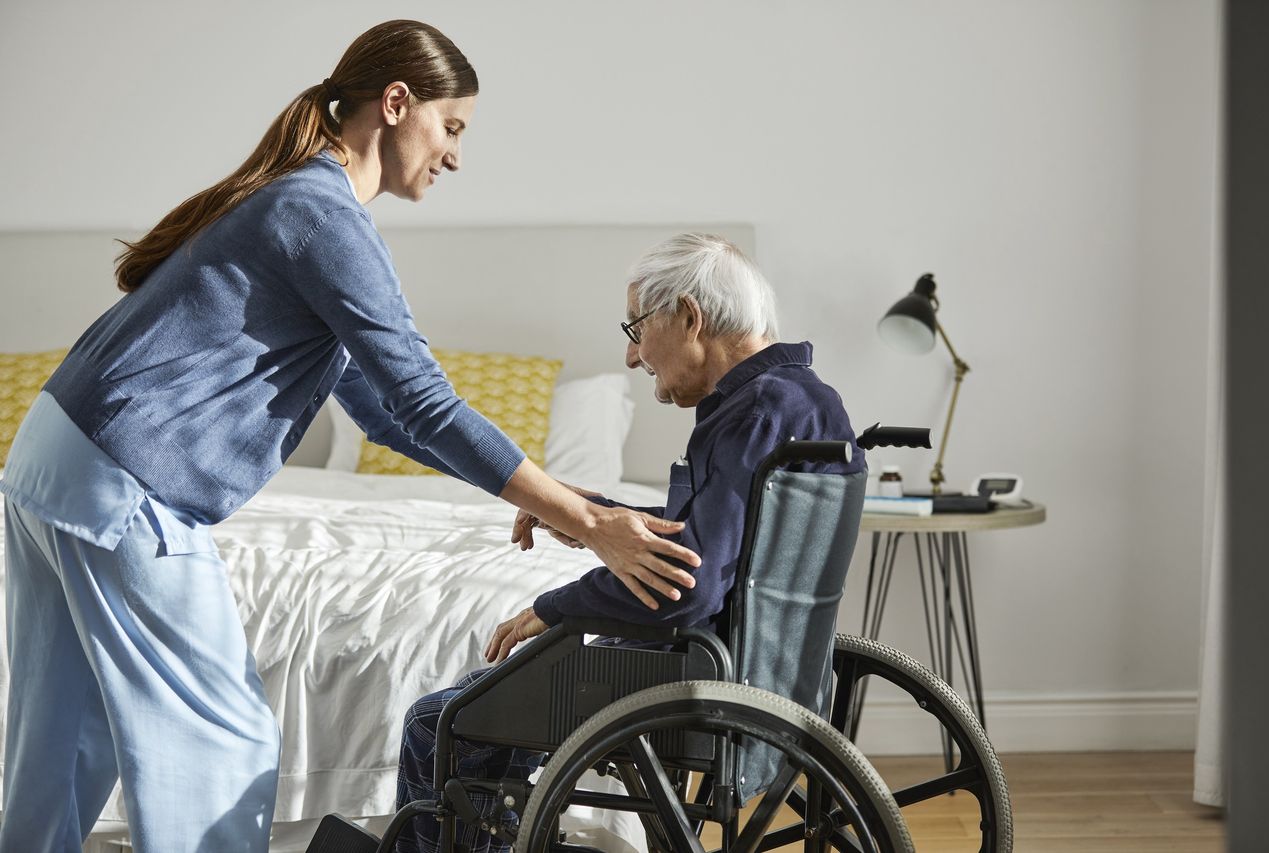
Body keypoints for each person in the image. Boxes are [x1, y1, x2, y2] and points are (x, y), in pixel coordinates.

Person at [0, 21, 700, 853]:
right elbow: (425, 401)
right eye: (453, 127)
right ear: (397, 104)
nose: (456, 156)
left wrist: (559, 496)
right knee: (223, 743)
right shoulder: (321, 213)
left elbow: (383, 412)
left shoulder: (295, 200)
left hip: (50, 460)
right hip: (125, 481)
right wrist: (589, 524)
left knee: (62, 742)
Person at [394, 233, 866, 853]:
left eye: (637, 327)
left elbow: (686, 584)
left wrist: (554, 606)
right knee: (490, 706)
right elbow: (719, 537)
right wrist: (593, 513)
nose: (630, 354)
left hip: (692, 668)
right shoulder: (800, 400)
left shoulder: (751, 412)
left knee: (441, 721)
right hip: (756, 663)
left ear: (689, 317)